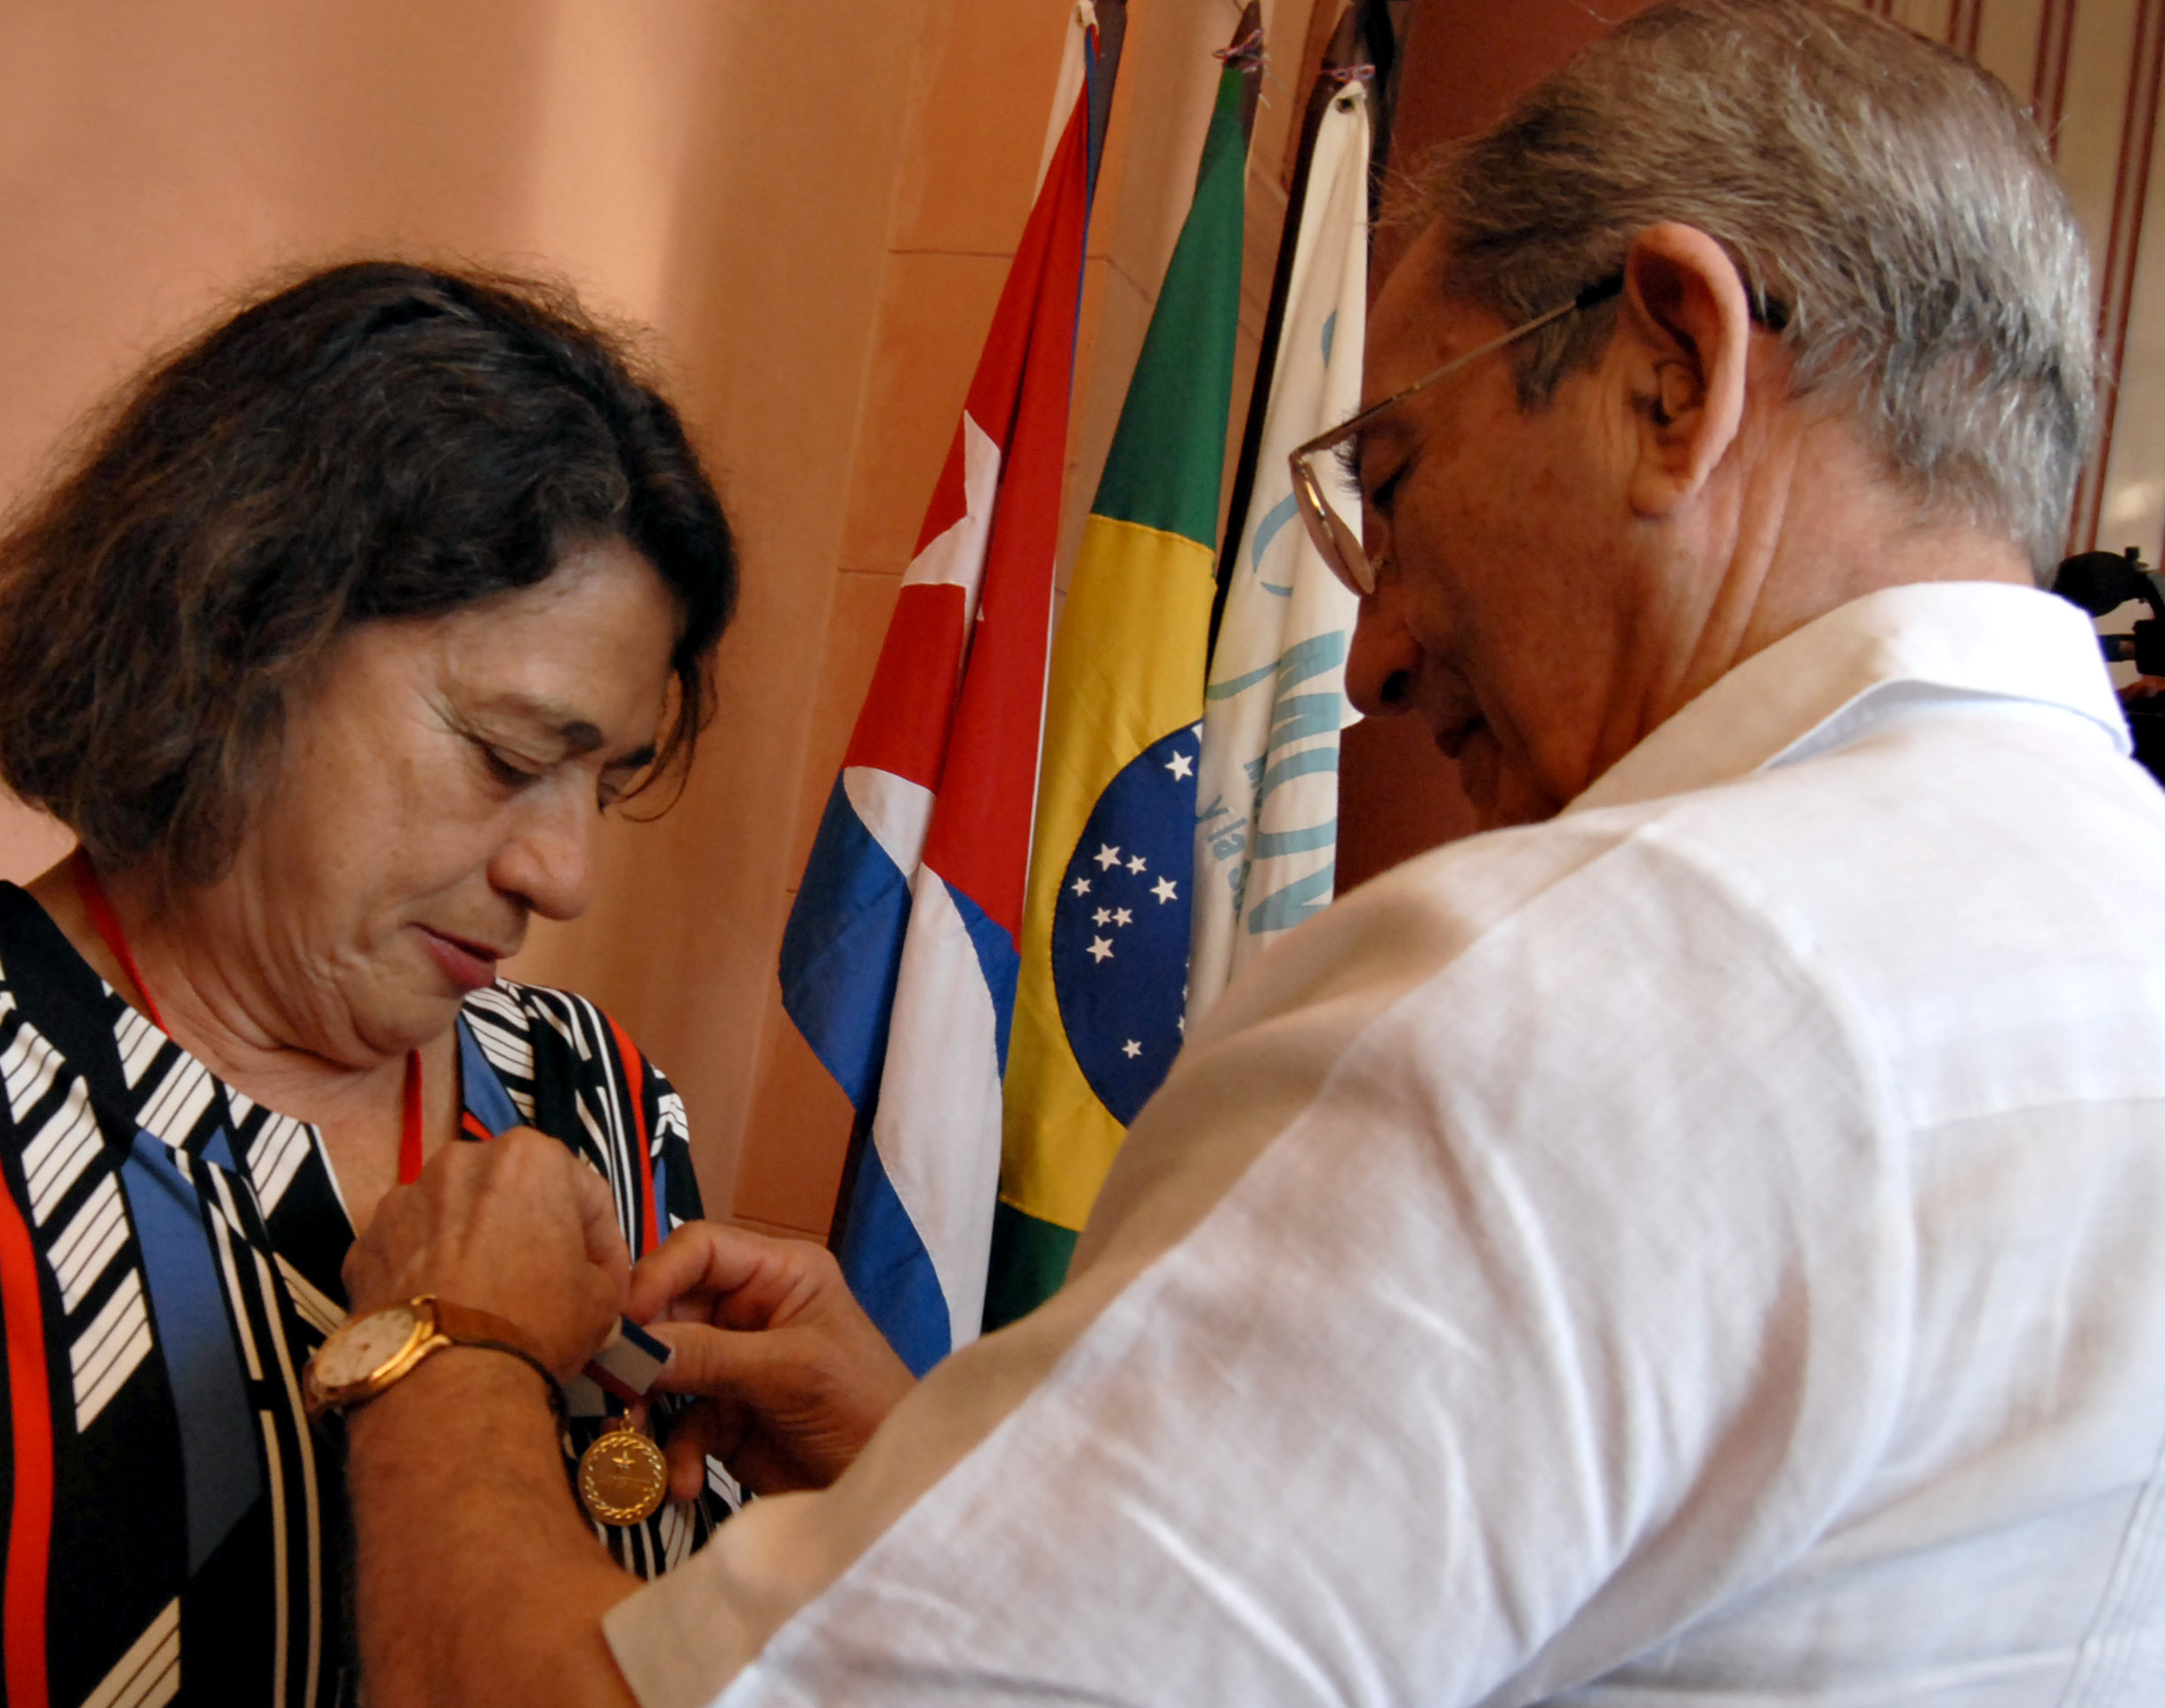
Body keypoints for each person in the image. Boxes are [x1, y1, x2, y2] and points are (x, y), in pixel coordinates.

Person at [335, 3, 2165, 1702]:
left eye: (1392, 474)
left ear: (1668, 372)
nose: (1363, 655)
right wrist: (939, 1480)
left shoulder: (1578, 987)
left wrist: (449, 1355)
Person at [0, 261, 742, 1705]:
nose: (564, 871)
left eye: (608, 779)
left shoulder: (589, 1094)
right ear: (239, 629)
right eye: (510, 757)